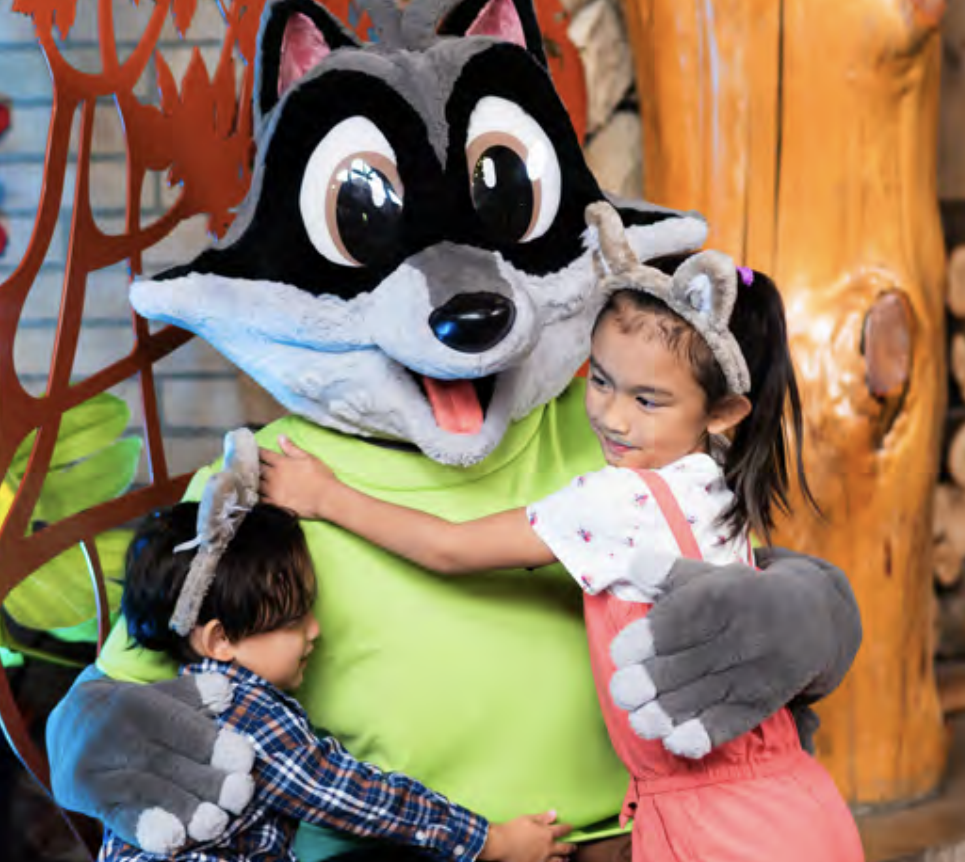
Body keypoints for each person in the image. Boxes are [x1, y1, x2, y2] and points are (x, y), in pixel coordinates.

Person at [258, 206, 861, 862]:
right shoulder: (713, 487)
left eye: (647, 400)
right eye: (599, 380)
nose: (608, 414)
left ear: (722, 413)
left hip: (712, 826)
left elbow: (449, 548)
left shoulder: (616, 501)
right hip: (798, 799)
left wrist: (326, 497)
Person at [110, 431, 571, 862]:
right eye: (292, 621)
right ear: (220, 640)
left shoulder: (176, 703)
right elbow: (354, 797)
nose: (314, 631)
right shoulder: (238, 712)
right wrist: (490, 842)